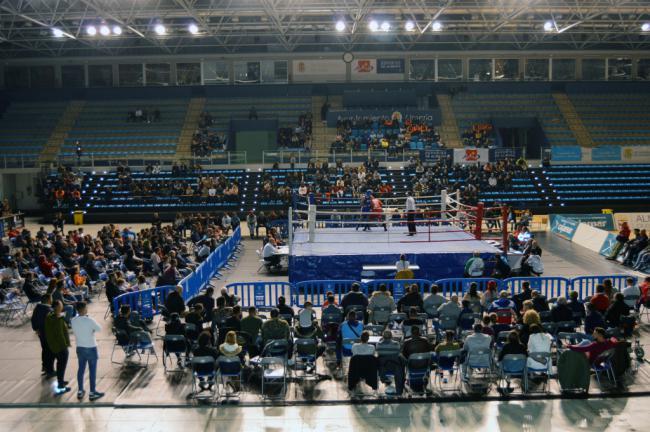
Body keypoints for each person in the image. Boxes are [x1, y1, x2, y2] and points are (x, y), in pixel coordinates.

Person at [70, 301, 104, 401]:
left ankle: (80, 390)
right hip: (91, 347)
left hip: (80, 348)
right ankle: (92, 392)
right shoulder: (90, 320)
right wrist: (91, 330)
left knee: (81, 369)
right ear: (84, 309)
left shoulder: (73, 320)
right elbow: (99, 329)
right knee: (92, 371)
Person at [44, 300, 71, 394]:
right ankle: (61, 385)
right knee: (61, 366)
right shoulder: (58, 319)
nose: (62, 306)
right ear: (57, 307)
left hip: (53, 346)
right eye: (61, 304)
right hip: (60, 347)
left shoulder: (50, 316)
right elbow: (60, 334)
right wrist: (65, 345)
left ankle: (61, 380)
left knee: (60, 365)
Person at [31, 294, 54, 377]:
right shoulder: (48, 310)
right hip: (48, 334)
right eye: (51, 298)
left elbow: (33, 319)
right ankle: (50, 370)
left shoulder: (37, 308)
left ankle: (44, 367)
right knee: (50, 353)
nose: (52, 300)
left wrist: (36, 329)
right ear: (48, 300)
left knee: (45, 351)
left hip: (41, 334)